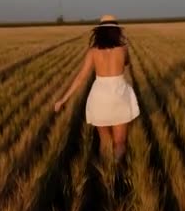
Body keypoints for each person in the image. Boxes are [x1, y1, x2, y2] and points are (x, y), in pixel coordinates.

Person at [54, 14, 140, 162]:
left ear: (99, 32)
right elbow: (127, 64)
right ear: (116, 31)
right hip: (120, 96)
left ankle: (106, 172)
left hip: (99, 97)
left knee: (105, 141)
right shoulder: (123, 49)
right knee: (120, 142)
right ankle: (117, 169)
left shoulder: (93, 52)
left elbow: (81, 77)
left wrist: (63, 99)